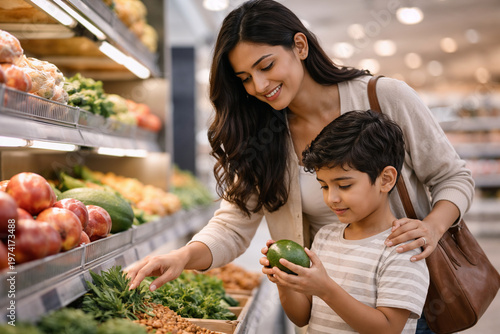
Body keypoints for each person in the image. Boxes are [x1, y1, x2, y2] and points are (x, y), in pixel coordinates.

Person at [127, 0, 474, 331]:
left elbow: (452, 176)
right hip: (320, 313)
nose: (260, 86)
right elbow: (234, 224)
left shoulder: (384, 98)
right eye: (245, 78)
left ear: (300, 46)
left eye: (266, 66)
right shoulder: (260, 134)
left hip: (403, 304)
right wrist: (183, 258)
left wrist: (431, 226)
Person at [267, 109, 430, 333]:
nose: (331, 198)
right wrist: (284, 281)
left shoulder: (402, 248)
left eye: (344, 185)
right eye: (324, 186)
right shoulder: (325, 237)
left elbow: (388, 328)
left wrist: (326, 289)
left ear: (386, 179)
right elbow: (302, 316)